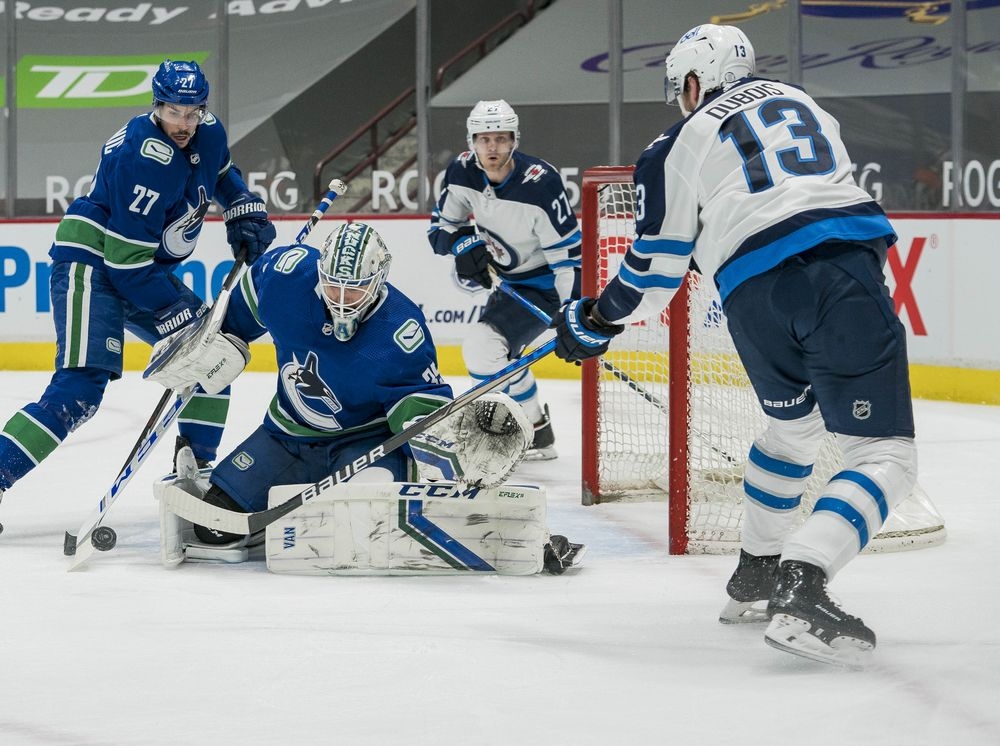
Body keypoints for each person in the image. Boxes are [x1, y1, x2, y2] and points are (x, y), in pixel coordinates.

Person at [552, 24, 916, 667]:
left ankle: (756, 572)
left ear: (693, 83)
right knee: (884, 454)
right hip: (838, 270)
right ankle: (800, 583)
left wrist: (597, 319)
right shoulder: (804, 102)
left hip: (751, 297)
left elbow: (657, 271)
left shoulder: (673, 145)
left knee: (792, 430)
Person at [148, 221, 584, 574]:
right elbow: (230, 325)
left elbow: (419, 415)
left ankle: (371, 495)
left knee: (359, 523)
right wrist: (206, 345)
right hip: (285, 436)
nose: (341, 300)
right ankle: (270, 512)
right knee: (212, 530)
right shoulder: (285, 275)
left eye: (353, 290)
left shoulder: (401, 331)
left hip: (364, 444)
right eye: (332, 287)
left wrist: (444, 453)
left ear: (378, 281)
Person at [0, 60, 276, 518]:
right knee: (78, 391)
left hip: (141, 267)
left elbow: (222, 172)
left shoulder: (207, 132)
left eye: (193, 112)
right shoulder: (142, 160)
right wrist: (174, 311)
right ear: (157, 106)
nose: (184, 123)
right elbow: (124, 265)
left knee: (212, 359)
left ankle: (196, 473)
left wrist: (240, 205)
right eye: (174, 112)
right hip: (94, 264)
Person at [427, 99, 581, 461]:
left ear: (514, 140)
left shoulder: (540, 184)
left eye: (501, 138)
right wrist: (463, 244)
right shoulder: (461, 173)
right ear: (472, 141)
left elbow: (569, 260)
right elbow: (440, 230)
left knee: (482, 351)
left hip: (545, 285)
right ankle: (536, 430)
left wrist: (568, 310)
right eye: (484, 139)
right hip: (509, 282)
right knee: (493, 354)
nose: (492, 147)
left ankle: (512, 432)